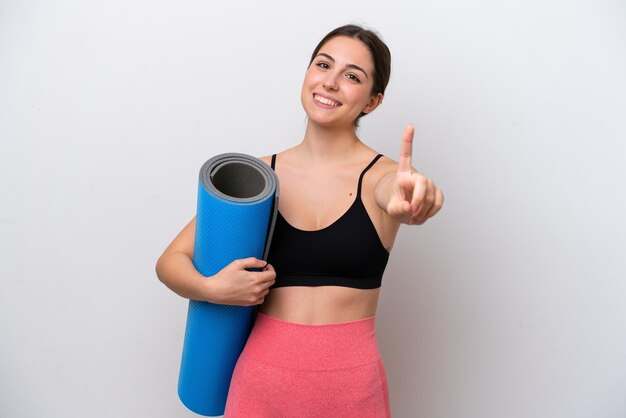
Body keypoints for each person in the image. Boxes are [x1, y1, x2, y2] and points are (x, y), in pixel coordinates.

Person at [156, 24, 444, 418]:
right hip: (259, 388)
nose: (330, 82)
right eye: (323, 65)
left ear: (372, 102)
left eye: (352, 76)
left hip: (352, 392)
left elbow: (399, 191)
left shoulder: (384, 178)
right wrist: (213, 289)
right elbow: (169, 262)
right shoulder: (257, 177)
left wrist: (416, 196)